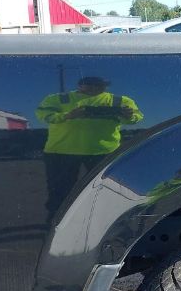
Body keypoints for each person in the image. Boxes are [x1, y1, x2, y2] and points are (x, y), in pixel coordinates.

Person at [35, 76, 143, 218]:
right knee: (60, 190)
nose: (96, 88)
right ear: (80, 85)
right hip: (61, 152)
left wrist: (128, 115)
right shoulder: (59, 99)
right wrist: (68, 115)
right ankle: (55, 220)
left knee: (105, 189)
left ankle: (103, 219)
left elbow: (137, 117)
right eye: (91, 85)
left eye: (101, 85)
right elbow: (43, 115)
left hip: (104, 152)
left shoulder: (120, 100)